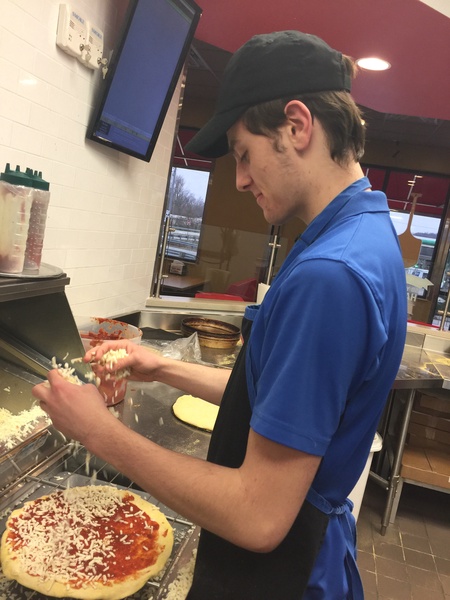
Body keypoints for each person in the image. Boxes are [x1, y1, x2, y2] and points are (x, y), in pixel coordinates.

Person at [33, 30, 407, 599]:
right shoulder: (363, 237)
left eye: (243, 153)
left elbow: (258, 516)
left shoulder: (330, 275)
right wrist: (162, 367)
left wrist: (98, 432)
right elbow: (282, 401)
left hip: (284, 575)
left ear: (298, 126)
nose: (240, 178)